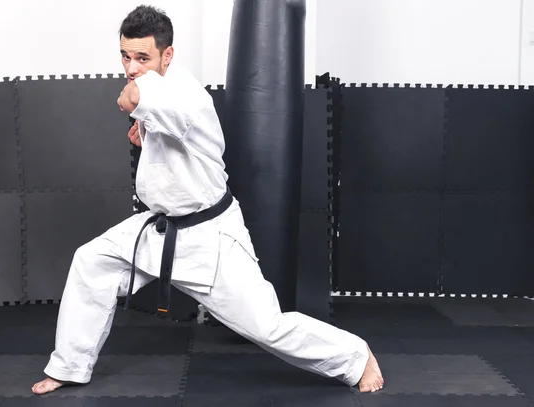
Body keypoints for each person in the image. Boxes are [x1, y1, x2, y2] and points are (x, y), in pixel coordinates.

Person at [31, 5, 384, 395]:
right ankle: (70, 366)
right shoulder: (163, 90)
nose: (131, 67)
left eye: (142, 57)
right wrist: (147, 133)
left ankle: (355, 355)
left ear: (168, 55)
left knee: (267, 327)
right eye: (125, 56)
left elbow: (127, 99)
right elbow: (158, 123)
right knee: (91, 262)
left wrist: (139, 104)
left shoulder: (182, 95)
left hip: (208, 239)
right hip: (161, 228)